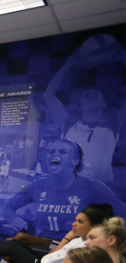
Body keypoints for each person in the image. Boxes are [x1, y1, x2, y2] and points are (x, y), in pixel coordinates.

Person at [2, 139, 126, 244]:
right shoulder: (37, 187)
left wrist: (99, 235)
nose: (54, 154)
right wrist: (12, 219)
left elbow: (123, 215)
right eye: (51, 151)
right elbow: (8, 206)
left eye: (62, 152)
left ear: (75, 161)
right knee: (11, 242)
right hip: (43, 245)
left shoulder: (92, 188)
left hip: (75, 248)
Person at [44, 41, 126, 184]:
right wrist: (69, 63)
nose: (91, 96)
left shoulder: (113, 122)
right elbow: (48, 95)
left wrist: (123, 56)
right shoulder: (70, 122)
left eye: (96, 95)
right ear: (81, 107)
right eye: (87, 96)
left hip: (102, 187)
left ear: (103, 104)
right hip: (73, 185)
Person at [0, 203, 113, 263]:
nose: (74, 224)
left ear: (94, 226)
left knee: (13, 246)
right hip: (48, 261)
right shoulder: (81, 239)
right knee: (15, 242)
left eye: (79, 222)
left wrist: (66, 238)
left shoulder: (85, 245)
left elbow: (54, 256)